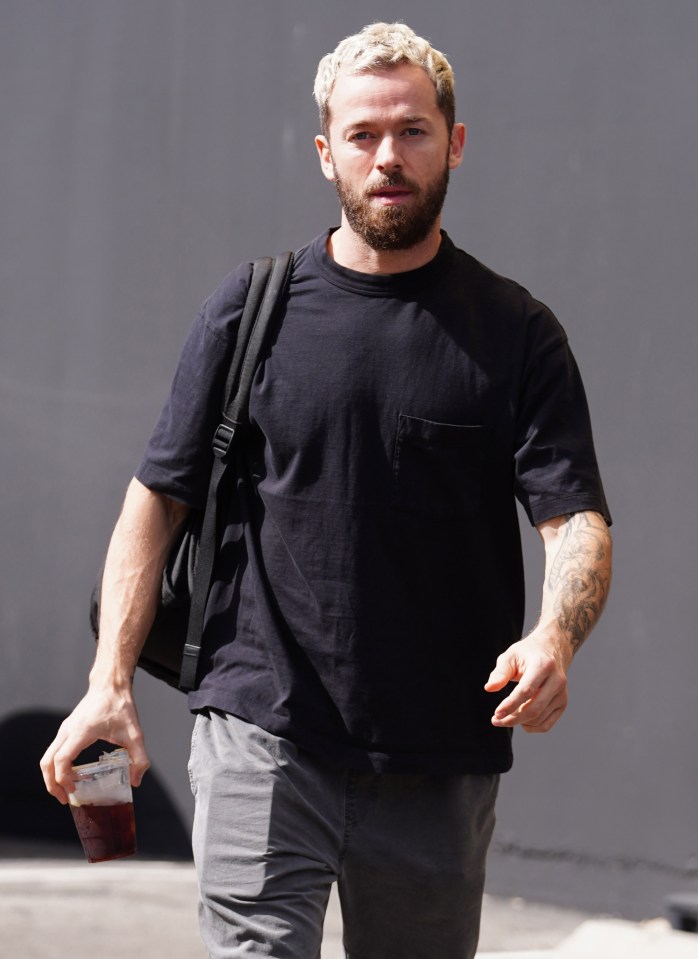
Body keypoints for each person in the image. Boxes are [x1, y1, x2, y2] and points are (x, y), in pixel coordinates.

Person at [41, 22, 612, 959]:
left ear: (455, 143)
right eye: (362, 134)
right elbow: (157, 499)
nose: (389, 156)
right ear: (325, 152)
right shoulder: (252, 308)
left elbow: (574, 517)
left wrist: (556, 635)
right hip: (260, 727)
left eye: (414, 131)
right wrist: (109, 683)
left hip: (436, 756)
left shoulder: (514, 334)